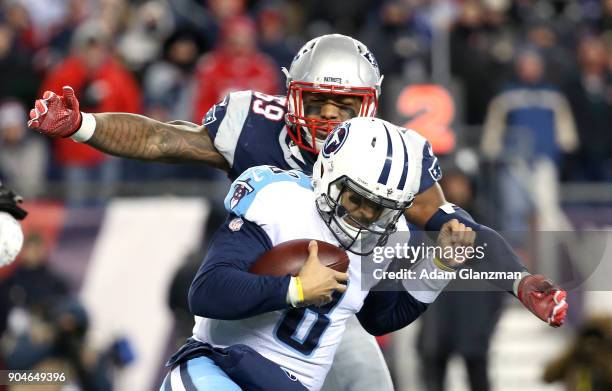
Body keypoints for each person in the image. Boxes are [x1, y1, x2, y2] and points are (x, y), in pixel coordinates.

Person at [27, 34, 567, 391]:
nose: (329, 116)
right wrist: (85, 126)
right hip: (249, 295)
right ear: (290, 97)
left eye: (345, 105)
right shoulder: (255, 131)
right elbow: (162, 138)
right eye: (316, 102)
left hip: (327, 312)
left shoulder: (389, 157)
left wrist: (520, 282)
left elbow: (458, 231)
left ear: (370, 107)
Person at [161, 117, 475, 390]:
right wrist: (295, 289)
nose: (366, 215)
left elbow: (381, 318)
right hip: (220, 370)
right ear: (328, 173)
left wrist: (439, 266)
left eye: (381, 207)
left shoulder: (389, 237)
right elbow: (206, 291)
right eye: (357, 198)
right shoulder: (278, 200)